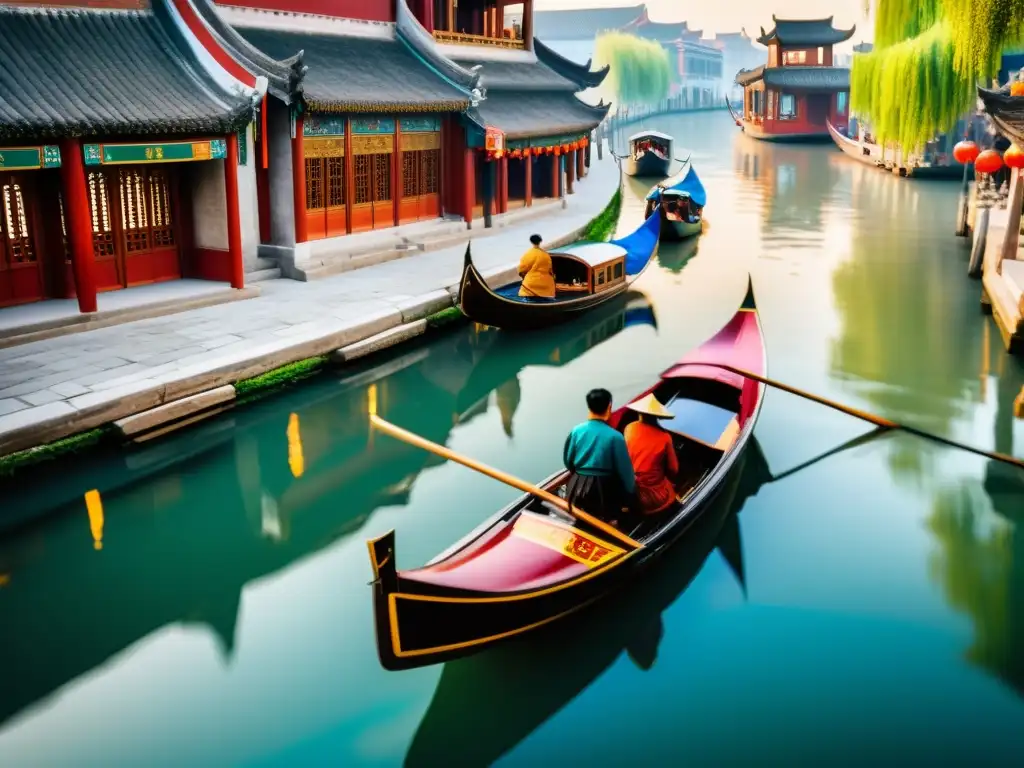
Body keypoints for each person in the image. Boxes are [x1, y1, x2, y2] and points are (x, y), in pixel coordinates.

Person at [563, 388, 636, 524]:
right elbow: (627, 476)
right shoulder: (616, 437)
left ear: (589, 407)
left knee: (578, 518)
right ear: (609, 407)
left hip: (576, 487)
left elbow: (568, 462)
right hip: (604, 491)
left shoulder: (576, 431)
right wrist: (630, 497)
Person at [623, 394, 679, 514]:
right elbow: (673, 470)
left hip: (631, 491)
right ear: (657, 416)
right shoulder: (665, 437)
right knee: (671, 487)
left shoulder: (629, 428)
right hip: (655, 498)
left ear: (640, 413)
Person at [517, 234, 556, 300]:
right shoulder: (546, 255)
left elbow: (522, 270)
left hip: (529, 287)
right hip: (545, 288)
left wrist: (524, 278)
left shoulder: (528, 254)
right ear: (540, 241)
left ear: (531, 242)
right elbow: (550, 271)